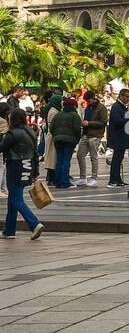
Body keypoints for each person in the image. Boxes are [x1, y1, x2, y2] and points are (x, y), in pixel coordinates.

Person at [1, 108, 45, 240]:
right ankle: (9, 230)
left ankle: (34, 223)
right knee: (13, 198)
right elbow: (36, 153)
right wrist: (35, 170)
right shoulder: (30, 131)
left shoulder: (12, 133)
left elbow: (2, 147)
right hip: (27, 165)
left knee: (16, 199)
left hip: (15, 166)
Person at [49, 96, 82, 189]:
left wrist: (56, 136)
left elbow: (51, 128)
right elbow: (77, 129)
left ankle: (58, 182)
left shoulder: (58, 115)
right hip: (69, 141)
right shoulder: (74, 115)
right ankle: (65, 182)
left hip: (58, 140)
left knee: (59, 160)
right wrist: (77, 139)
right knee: (66, 161)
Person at [76, 91, 106, 187]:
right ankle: (83, 178)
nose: (88, 102)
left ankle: (94, 178)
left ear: (94, 98)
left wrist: (89, 123)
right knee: (80, 154)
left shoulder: (101, 108)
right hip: (86, 134)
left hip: (95, 135)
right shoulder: (89, 107)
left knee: (94, 156)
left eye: (89, 100)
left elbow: (103, 122)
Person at [106, 89, 129, 188]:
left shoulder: (122, 107)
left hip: (121, 136)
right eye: (126, 96)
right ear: (121, 96)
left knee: (119, 158)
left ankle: (118, 179)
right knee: (116, 159)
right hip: (117, 137)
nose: (128, 99)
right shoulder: (116, 107)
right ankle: (113, 180)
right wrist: (128, 119)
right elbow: (117, 121)